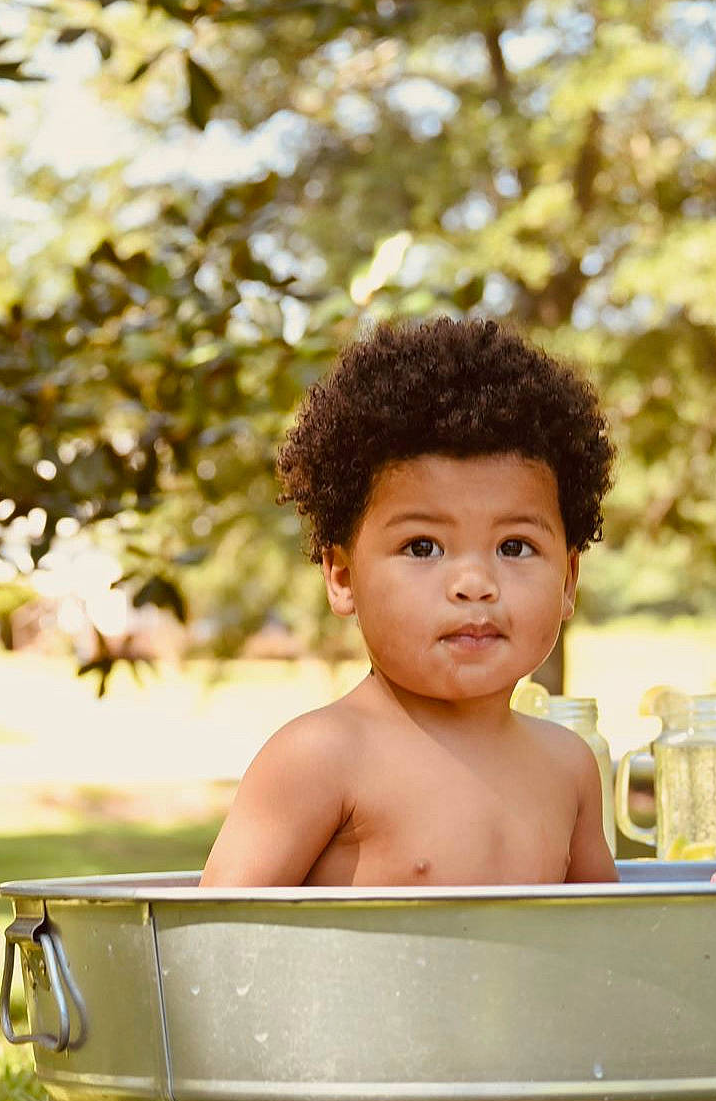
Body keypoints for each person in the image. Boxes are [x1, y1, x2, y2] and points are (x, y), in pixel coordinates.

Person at [200, 316, 618, 888]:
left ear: (568, 579)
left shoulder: (568, 768)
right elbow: (213, 943)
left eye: (514, 546)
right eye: (423, 547)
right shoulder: (324, 756)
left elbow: (610, 943)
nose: (474, 583)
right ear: (343, 577)